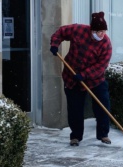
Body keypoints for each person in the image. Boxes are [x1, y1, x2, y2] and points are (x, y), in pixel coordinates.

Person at [49, 11, 112, 146]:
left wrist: (85, 74)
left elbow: (101, 66)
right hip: (72, 77)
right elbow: (61, 32)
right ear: (92, 30)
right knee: (75, 108)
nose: (102, 34)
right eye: (98, 31)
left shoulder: (106, 44)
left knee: (102, 105)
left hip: (95, 79)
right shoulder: (78, 30)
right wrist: (55, 44)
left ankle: (103, 135)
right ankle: (75, 136)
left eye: (104, 31)